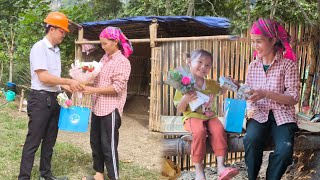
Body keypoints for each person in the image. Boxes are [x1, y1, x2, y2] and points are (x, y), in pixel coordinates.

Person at [18, 12, 83, 180]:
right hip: (40, 99)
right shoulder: (39, 47)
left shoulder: (56, 51)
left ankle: (46, 174)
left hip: (54, 98)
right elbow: (44, 78)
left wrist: (68, 86)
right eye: (62, 31)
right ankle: (23, 177)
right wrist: (67, 81)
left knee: (50, 140)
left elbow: (55, 80)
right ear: (52, 29)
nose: (64, 35)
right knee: (34, 141)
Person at [243, 18, 300, 180]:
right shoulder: (253, 66)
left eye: (259, 41)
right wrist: (242, 91)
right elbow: (249, 94)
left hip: (283, 115)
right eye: (253, 42)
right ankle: (252, 177)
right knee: (251, 139)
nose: (255, 46)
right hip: (259, 113)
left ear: (273, 40)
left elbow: (293, 98)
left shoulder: (288, 65)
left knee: (284, 150)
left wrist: (265, 93)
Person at [174, 49, 239, 180]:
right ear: (189, 62)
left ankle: (221, 167)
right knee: (199, 132)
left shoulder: (211, 84)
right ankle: (199, 171)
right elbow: (180, 109)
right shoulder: (184, 84)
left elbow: (222, 91)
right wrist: (186, 98)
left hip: (210, 116)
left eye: (208, 65)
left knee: (219, 129)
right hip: (192, 117)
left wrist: (230, 83)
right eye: (199, 62)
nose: (203, 66)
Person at [81, 26, 133, 180]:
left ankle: (113, 177)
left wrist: (93, 91)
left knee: (108, 146)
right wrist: (83, 75)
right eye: (101, 44)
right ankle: (99, 175)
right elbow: (98, 76)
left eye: (105, 44)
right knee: (95, 142)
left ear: (115, 41)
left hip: (110, 110)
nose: (103, 47)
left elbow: (117, 88)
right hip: (97, 107)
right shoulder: (105, 58)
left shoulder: (122, 62)